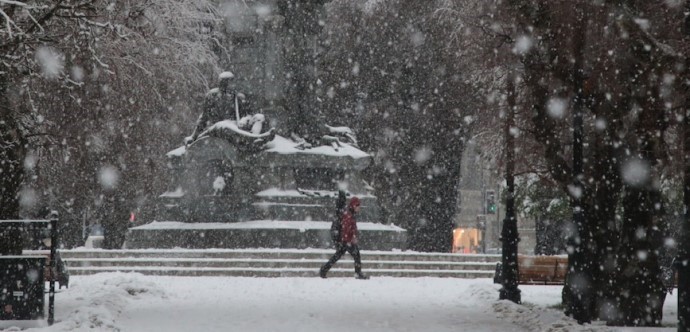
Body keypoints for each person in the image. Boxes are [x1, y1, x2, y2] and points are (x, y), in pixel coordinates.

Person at [185, 71, 251, 145]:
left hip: (234, 129)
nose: (228, 88)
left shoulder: (239, 97)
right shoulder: (212, 96)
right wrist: (194, 136)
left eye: (230, 84)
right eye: (225, 84)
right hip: (217, 129)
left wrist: (244, 120)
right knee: (223, 125)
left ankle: (254, 139)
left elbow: (247, 115)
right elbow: (204, 117)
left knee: (259, 117)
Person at [319, 196, 369, 279]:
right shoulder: (348, 215)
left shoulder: (350, 214)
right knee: (356, 255)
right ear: (353, 206)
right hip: (347, 241)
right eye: (357, 205)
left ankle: (324, 270)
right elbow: (346, 229)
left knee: (337, 256)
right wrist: (350, 239)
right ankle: (358, 273)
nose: (359, 208)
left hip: (345, 240)